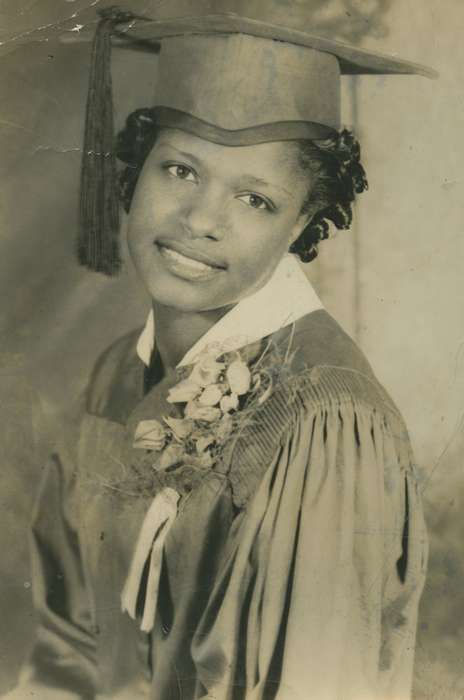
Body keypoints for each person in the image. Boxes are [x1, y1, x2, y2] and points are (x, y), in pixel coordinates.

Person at [4, 4, 433, 699]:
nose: (201, 219)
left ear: (303, 225)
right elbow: (69, 651)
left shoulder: (323, 422)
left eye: (256, 200)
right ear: (134, 172)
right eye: (179, 170)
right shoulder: (118, 373)